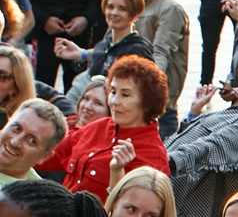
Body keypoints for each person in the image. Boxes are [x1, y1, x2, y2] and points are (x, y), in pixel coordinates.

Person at [53, 55, 172, 201]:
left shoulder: (153, 157)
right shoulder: (99, 126)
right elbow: (50, 154)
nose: (114, 101)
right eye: (113, 92)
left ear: (147, 104)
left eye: (125, 95)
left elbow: (134, 215)